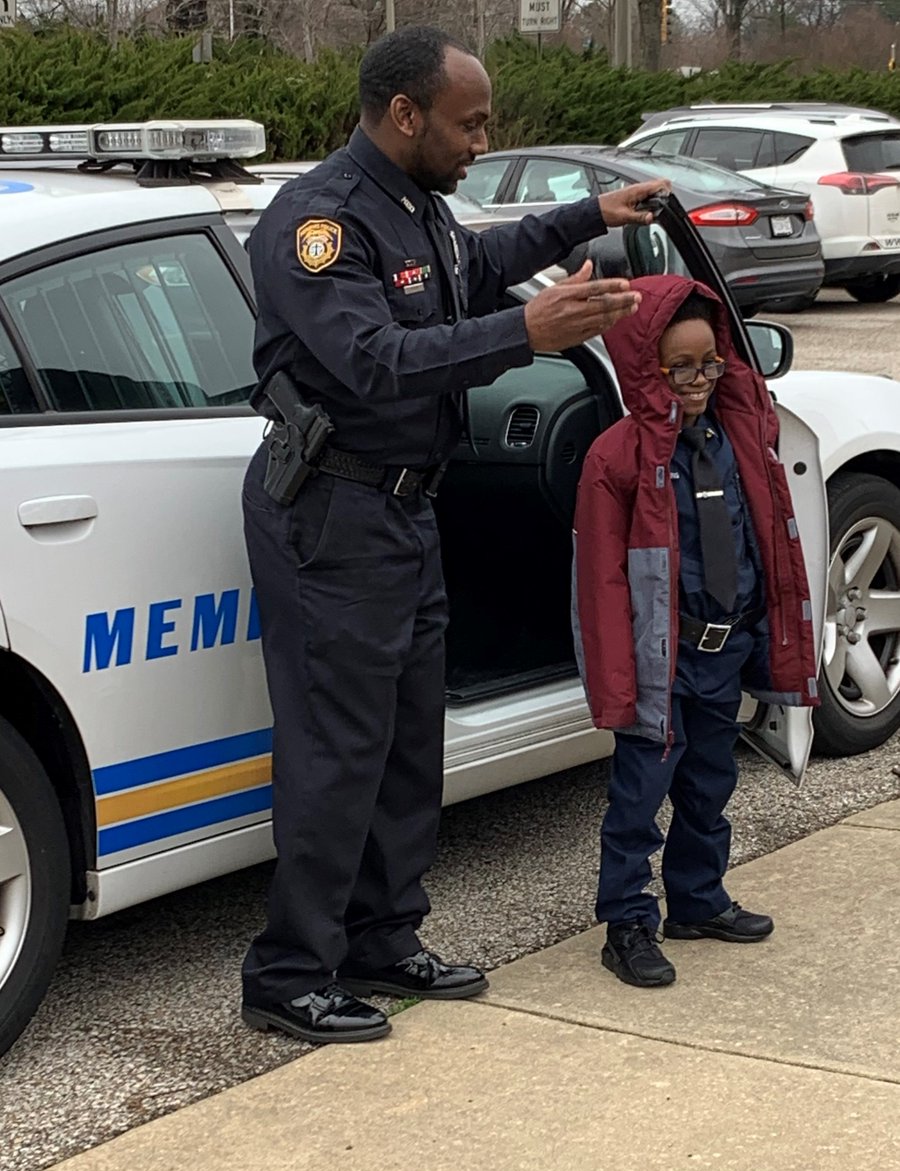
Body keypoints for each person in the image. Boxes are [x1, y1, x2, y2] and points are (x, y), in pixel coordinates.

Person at [239, 25, 669, 1046]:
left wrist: (586, 215)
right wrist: (528, 332)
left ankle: (383, 940)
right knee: (337, 752)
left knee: (405, 745)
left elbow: (477, 264)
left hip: (404, 510)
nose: (483, 141)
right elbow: (374, 360)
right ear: (405, 114)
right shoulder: (319, 221)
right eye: (470, 123)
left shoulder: (415, 207)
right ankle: (289, 973)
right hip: (333, 511)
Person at [573, 275, 819, 989]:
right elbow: (600, 584)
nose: (698, 380)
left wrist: (768, 636)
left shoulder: (736, 440)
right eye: (679, 368)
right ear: (645, 369)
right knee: (640, 795)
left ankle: (697, 898)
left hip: (725, 648)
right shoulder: (617, 457)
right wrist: (618, 681)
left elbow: (762, 542)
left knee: (711, 783)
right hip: (661, 661)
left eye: (710, 362)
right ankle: (627, 922)